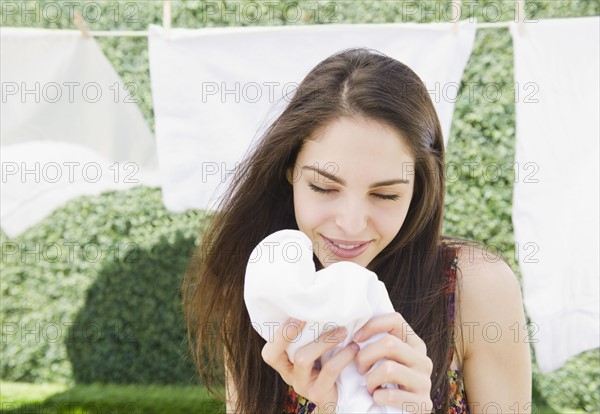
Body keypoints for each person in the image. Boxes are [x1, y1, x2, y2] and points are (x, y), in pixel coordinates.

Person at [182, 47, 532, 413]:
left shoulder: (475, 290)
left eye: (385, 194)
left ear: (417, 192)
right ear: (289, 172)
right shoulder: (265, 296)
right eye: (323, 187)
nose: (351, 223)